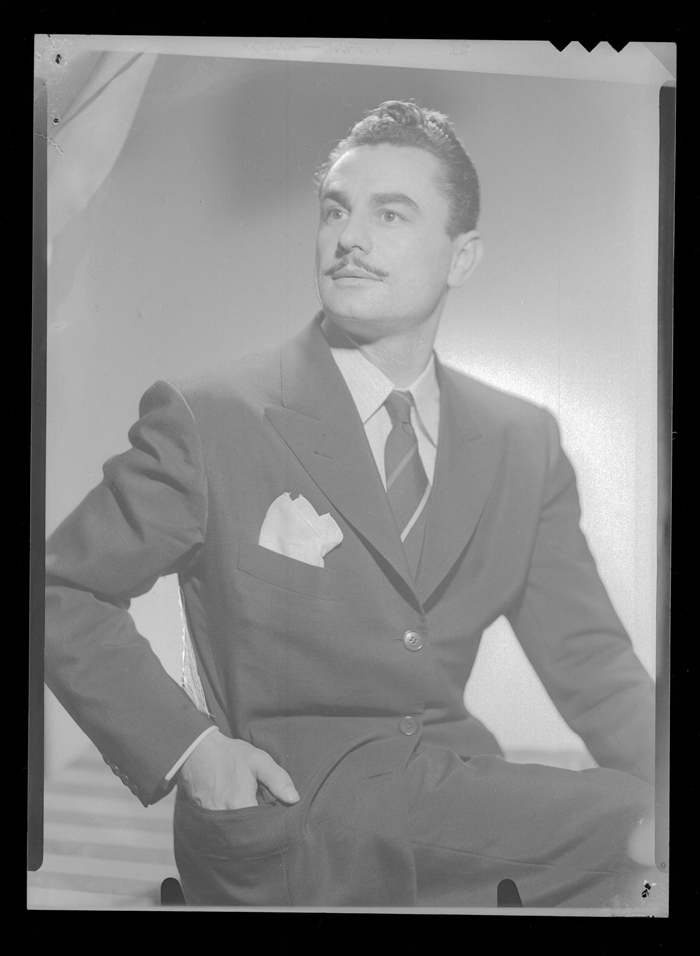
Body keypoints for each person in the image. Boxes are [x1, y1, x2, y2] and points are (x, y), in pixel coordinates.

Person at [45, 100, 660, 908]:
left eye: (390, 214)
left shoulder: (521, 440)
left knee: (650, 831)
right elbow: (61, 588)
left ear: (463, 257)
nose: (349, 239)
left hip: (458, 808)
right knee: (632, 833)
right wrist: (194, 752)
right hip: (291, 823)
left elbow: (592, 664)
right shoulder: (213, 415)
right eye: (335, 210)